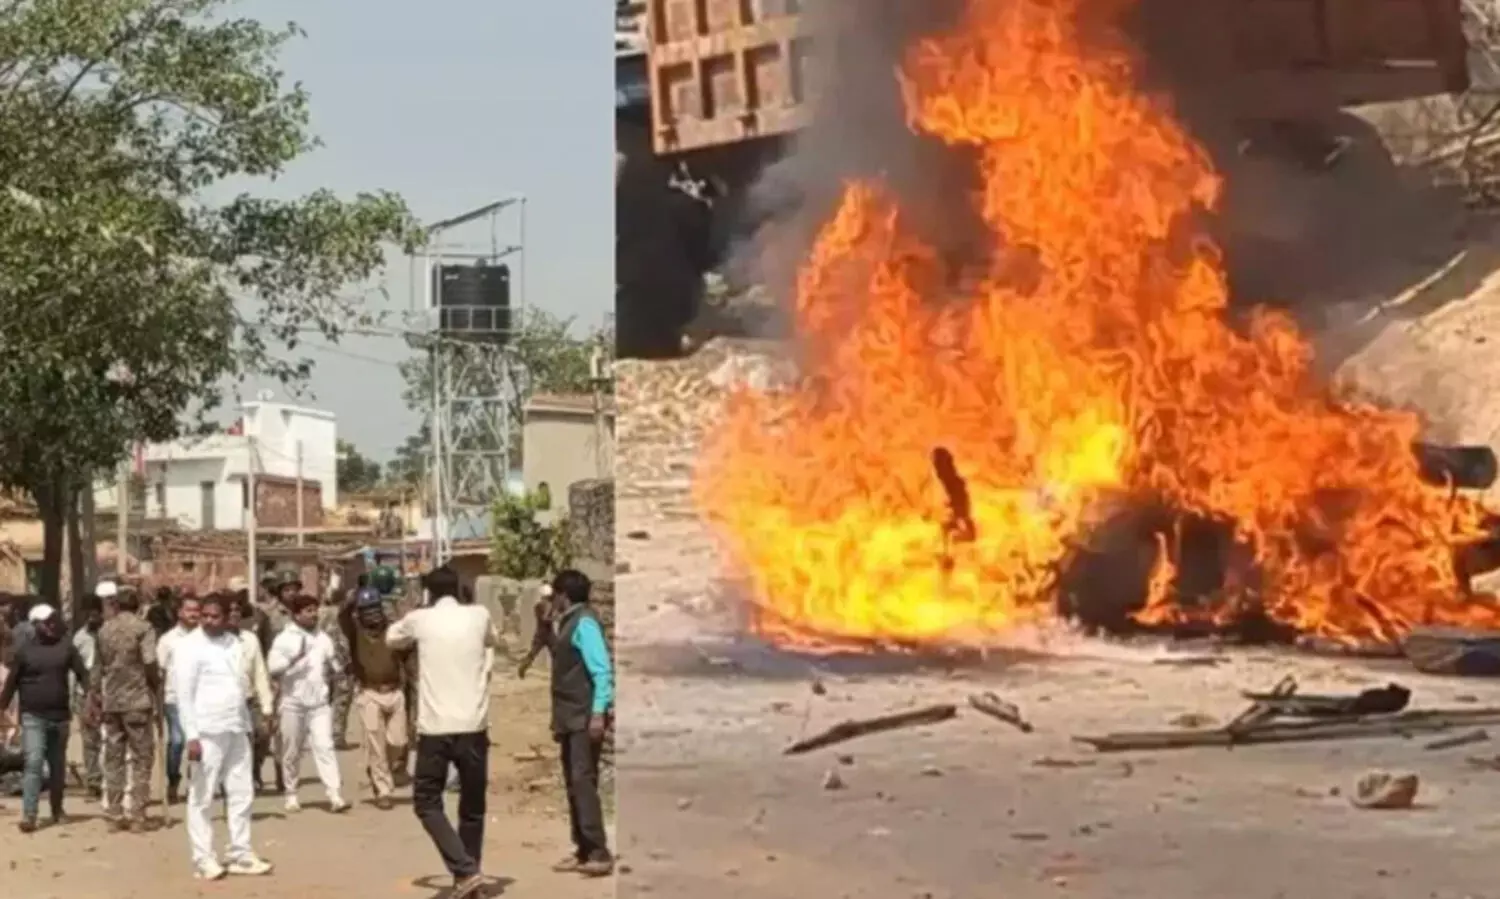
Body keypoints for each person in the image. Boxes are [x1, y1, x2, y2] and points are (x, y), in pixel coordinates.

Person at [386, 564, 501, 899]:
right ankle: (470, 872)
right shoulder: (479, 615)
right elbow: (493, 639)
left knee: (426, 801)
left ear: (428, 592)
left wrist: (416, 613)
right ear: (461, 588)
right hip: (474, 725)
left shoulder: (420, 620)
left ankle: (464, 871)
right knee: (473, 806)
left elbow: (393, 638)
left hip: (435, 728)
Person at [175, 593, 273, 879]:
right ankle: (203, 858)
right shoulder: (189, 647)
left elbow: (240, 684)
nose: (208, 621)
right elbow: (184, 695)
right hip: (206, 731)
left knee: (242, 792)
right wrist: (191, 736)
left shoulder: (234, 643)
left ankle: (240, 852)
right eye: (204, 616)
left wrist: (248, 723)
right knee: (202, 797)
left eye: (215, 616)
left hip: (236, 726)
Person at [541, 570, 615, 877]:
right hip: (569, 716)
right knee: (574, 781)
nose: (552, 600)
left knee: (583, 781)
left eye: (554, 595)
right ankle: (582, 848)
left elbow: (602, 671)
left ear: (563, 595)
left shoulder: (584, 623)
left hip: (584, 716)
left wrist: (598, 713)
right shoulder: (567, 623)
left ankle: (598, 850)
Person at [0, 603, 89, 832]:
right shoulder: (24, 652)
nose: (51, 625)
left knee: (57, 766)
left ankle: (57, 810)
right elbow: (11, 684)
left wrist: (92, 697)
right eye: (46, 622)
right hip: (33, 717)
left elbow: (82, 674)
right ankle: (30, 814)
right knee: (34, 762)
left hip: (60, 717)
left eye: (53, 621)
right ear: (36, 625)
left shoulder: (66, 648)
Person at [266, 593, 346, 813]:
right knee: (291, 750)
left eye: (315, 609)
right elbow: (272, 668)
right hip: (293, 702)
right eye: (308, 611)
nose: (313, 614)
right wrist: (295, 659)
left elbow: (334, 665)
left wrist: (337, 668)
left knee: (324, 746)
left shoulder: (323, 638)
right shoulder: (284, 638)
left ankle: (334, 794)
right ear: (296, 614)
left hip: (319, 704)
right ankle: (291, 793)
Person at [93, 585, 161, 831]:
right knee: (142, 758)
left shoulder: (104, 630)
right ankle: (138, 815)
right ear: (138, 605)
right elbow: (150, 660)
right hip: (137, 701)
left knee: (114, 758)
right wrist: (156, 685)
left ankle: (114, 812)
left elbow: (97, 667)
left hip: (112, 702)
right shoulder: (143, 628)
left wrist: (95, 695)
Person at [339, 585, 409, 809]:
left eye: (375, 608)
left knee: (398, 742)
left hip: (395, 692)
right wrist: (351, 600)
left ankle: (379, 770)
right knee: (376, 743)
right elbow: (343, 617)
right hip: (369, 692)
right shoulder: (355, 632)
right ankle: (383, 790)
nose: (372, 614)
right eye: (366, 610)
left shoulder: (393, 630)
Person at [156, 593, 200, 803]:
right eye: (189, 610)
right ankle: (173, 780)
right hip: (174, 699)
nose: (194, 614)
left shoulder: (205, 637)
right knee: (177, 741)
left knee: (196, 742)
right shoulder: (168, 640)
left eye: (196, 610)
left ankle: (194, 785)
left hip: (200, 699)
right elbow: (159, 672)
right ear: (180, 613)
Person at [226, 595, 275, 757]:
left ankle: (255, 772)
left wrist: (267, 706)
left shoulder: (250, 639)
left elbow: (260, 673)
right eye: (229, 610)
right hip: (223, 705)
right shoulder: (211, 641)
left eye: (237, 610)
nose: (234, 614)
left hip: (249, 701)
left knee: (262, 735)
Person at [71, 591, 105, 799]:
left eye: (96, 613)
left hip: (108, 695)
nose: (93, 618)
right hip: (84, 696)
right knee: (90, 740)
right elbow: (73, 671)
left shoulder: (110, 634)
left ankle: (111, 781)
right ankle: (94, 781)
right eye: (89, 614)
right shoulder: (79, 638)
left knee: (108, 740)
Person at [320, 593, 356, 751]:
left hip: (336, 664)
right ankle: (332, 736)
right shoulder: (340, 615)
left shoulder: (322, 613)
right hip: (334, 663)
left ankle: (333, 736)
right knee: (335, 700)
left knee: (335, 700)